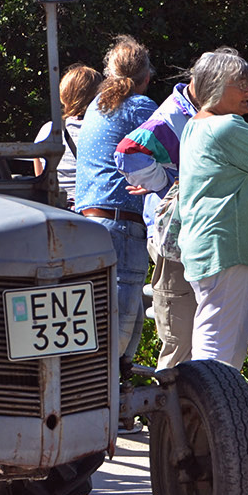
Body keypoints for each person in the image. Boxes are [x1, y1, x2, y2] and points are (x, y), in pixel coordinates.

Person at [175, 49, 248, 370]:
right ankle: (210, 418)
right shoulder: (226, 128)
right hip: (225, 249)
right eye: (241, 82)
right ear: (215, 85)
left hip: (205, 247)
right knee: (219, 350)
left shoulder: (194, 126)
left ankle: (207, 415)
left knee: (215, 337)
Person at [72, 35, 157, 367]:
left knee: (108, 328)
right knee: (114, 346)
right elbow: (178, 149)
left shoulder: (96, 105)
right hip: (122, 226)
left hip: (91, 224)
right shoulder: (140, 107)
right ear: (146, 78)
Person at [113, 64, 200, 369]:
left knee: (186, 336)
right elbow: (127, 151)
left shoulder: (101, 105)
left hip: (180, 235)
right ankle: (170, 414)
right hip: (171, 238)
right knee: (178, 338)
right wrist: (164, 184)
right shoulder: (170, 116)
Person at [34, 63, 104, 208]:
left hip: (58, 209)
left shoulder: (48, 131)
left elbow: (40, 179)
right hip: (91, 209)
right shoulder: (103, 131)